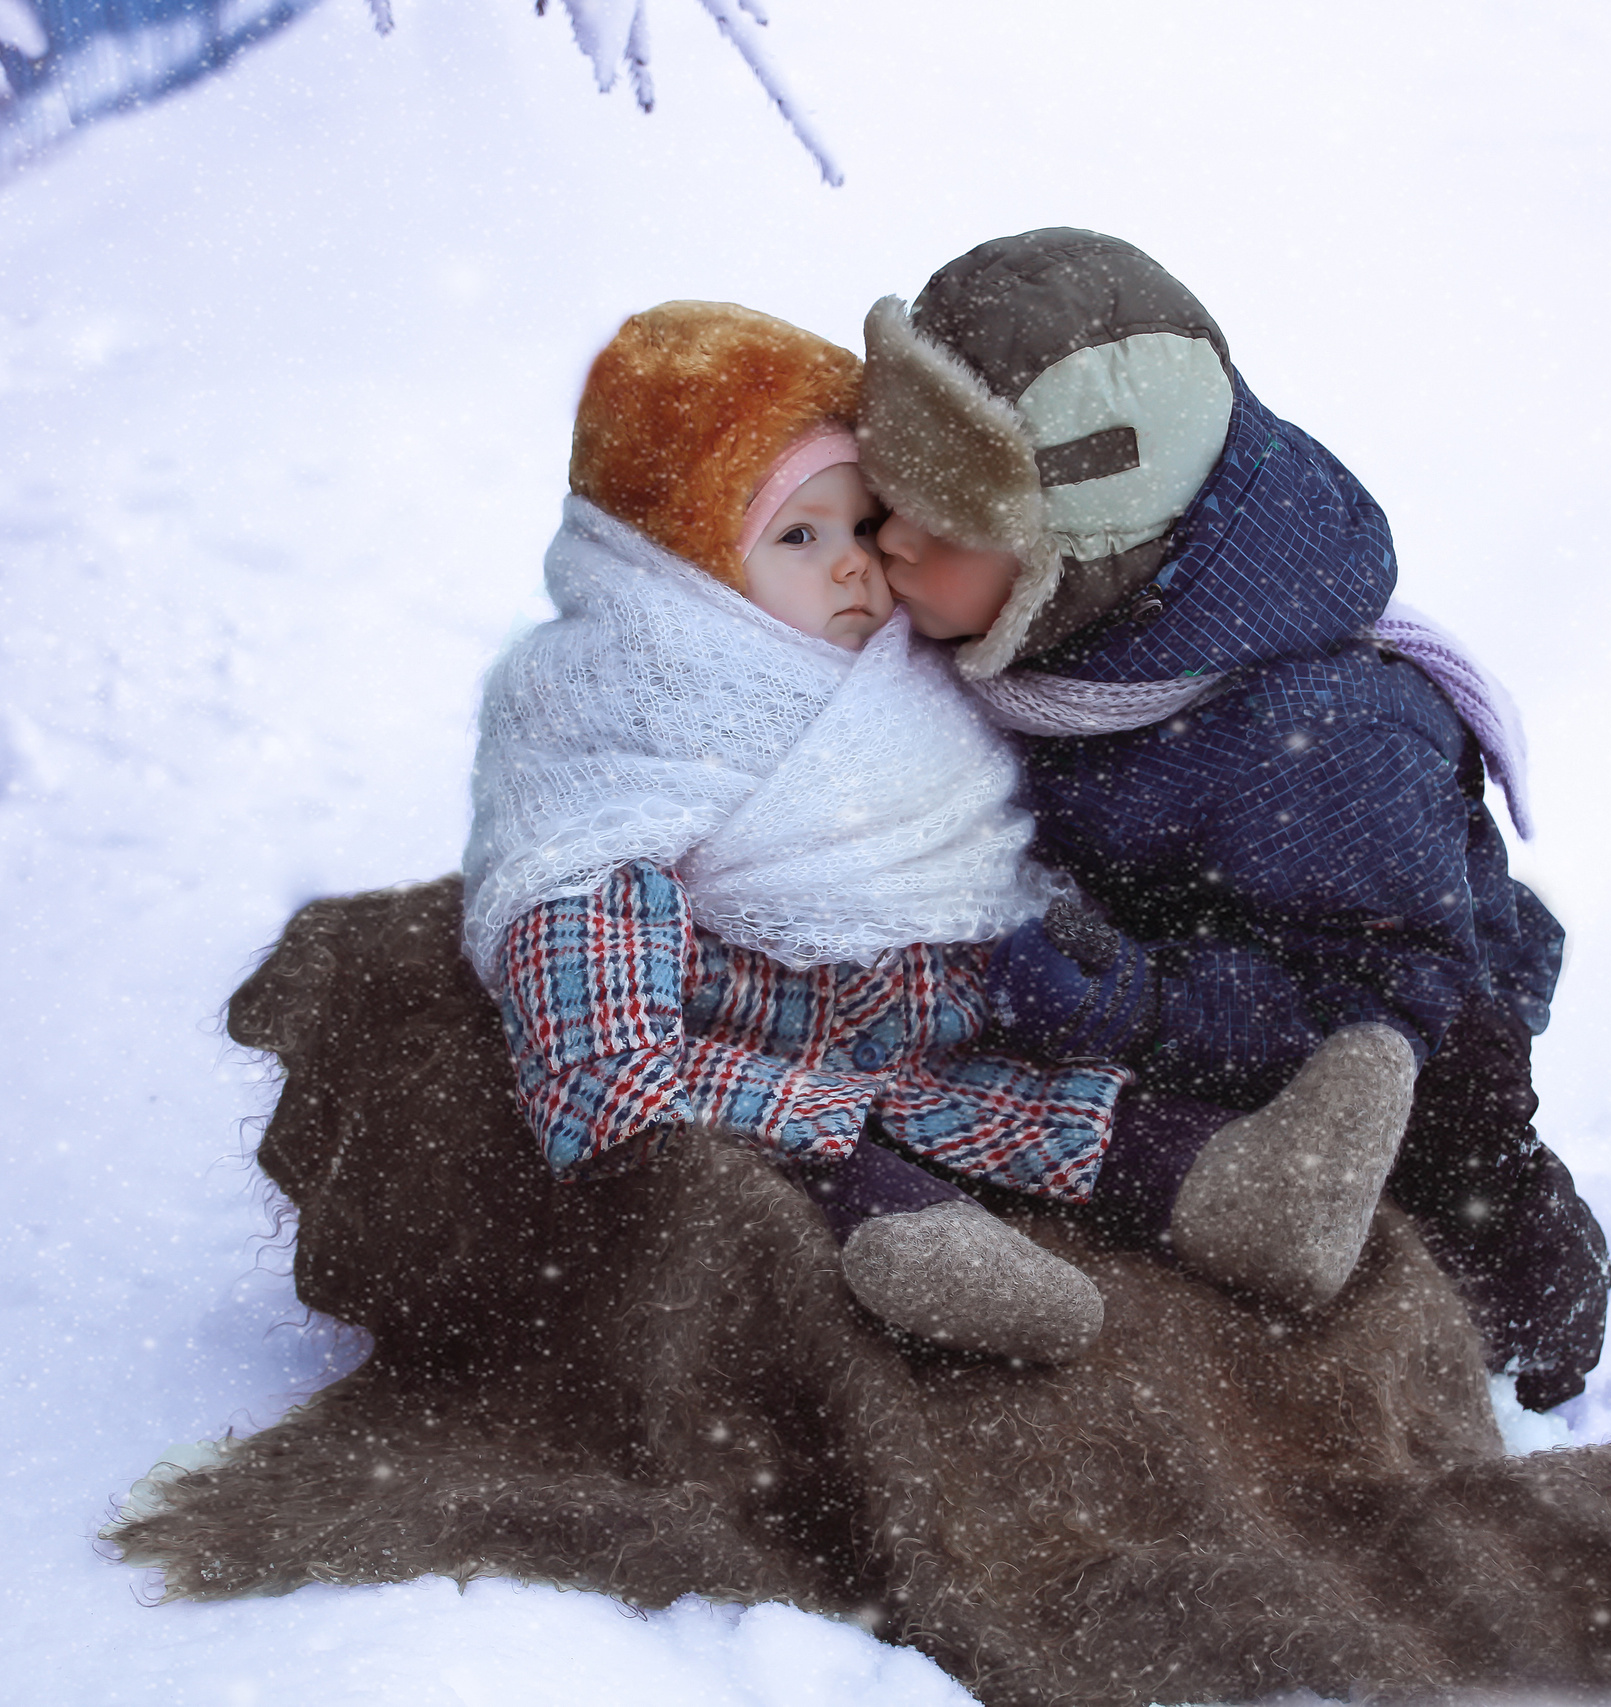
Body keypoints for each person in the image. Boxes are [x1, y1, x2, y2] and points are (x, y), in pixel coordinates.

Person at [856, 230, 1610, 1409]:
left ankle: (1536, 1290)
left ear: (1082, 561)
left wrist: (1137, 998)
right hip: (1151, 938)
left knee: (1434, 1212)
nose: (888, 544)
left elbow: (1380, 1007)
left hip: (1389, 1027)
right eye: (883, 498)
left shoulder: (1317, 738)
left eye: (943, 530)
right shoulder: (1038, 629)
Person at [460, 300, 1131, 1365]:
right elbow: (603, 1055)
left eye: (866, 527)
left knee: (1105, 1113)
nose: (855, 566)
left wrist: (1066, 938)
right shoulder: (614, 722)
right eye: (799, 536)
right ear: (681, 572)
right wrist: (808, 1099)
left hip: (952, 1044)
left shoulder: (908, 679)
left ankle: (1240, 1187)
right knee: (806, 1180)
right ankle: (932, 1253)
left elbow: (994, 843)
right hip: (759, 1072)